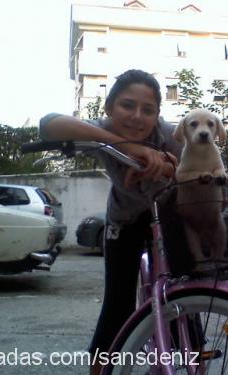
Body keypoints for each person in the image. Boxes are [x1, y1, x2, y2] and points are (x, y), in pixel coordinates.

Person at [39, 69, 181, 375]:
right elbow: (48, 124)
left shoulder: (168, 134)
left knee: (183, 294)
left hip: (168, 216)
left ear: (158, 115)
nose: (137, 117)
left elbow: (197, 168)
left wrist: (165, 164)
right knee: (118, 305)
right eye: (127, 105)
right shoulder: (100, 129)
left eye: (148, 110)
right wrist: (127, 146)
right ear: (109, 108)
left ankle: (190, 356)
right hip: (124, 219)